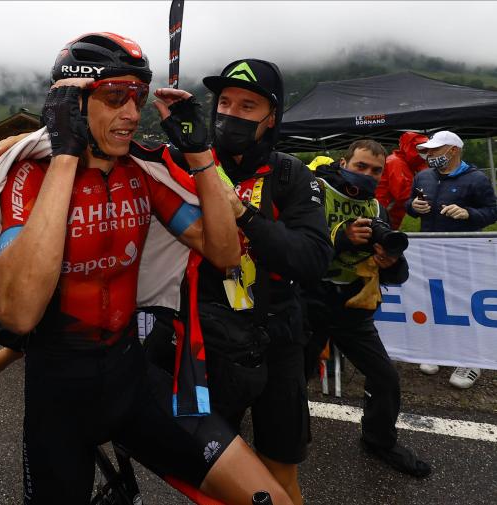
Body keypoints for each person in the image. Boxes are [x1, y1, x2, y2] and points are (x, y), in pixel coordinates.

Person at [0, 33, 291, 505]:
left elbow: (225, 254)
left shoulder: (141, 174)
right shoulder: (30, 175)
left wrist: (200, 155)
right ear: (71, 103)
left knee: (270, 499)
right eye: (114, 97)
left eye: (138, 98)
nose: (132, 113)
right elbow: (19, 314)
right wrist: (65, 153)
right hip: (59, 390)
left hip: (131, 376)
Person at [181, 59, 332, 505]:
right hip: (210, 339)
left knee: (279, 466)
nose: (231, 113)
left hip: (279, 340)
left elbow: (312, 259)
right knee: (211, 469)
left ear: (272, 117)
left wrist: (243, 213)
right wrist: (32, 139)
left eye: (248, 105)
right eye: (224, 102)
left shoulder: (290, 174)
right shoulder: (190, 162)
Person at [303, 139, 431, 478]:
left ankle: (379, 440)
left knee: (385, 378)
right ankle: (278, 436)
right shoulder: (316, 190)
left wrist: (388, 262)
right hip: (308, 300)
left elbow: (398, 273)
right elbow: (297, 249)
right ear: (344, 162)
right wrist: (341, 238)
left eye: (376, 170)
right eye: (361, 166)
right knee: (290, 377)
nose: (368, 175)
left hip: (352, 306)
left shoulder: (376, 207)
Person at [407, 130, 497, 388]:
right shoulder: (423, 176)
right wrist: (413, 207)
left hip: (464, 254)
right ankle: (438, 350)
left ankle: (471, 362)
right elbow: (408, 203)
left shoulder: (476, 179)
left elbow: (492, 212)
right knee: (436, 301)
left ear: (453, 150)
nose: (430, 155)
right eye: (428, 150)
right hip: (430, 252)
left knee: (466, 304)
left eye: (435, 150)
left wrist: (468, 214)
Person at [375, 131, 429, 229]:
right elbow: (404, 193)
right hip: (384, 213)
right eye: (421, 150)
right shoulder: (396, 162)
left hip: (391, 214)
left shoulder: (406, 163)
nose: (424, 154)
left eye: (426, 150)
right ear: (410, 148)